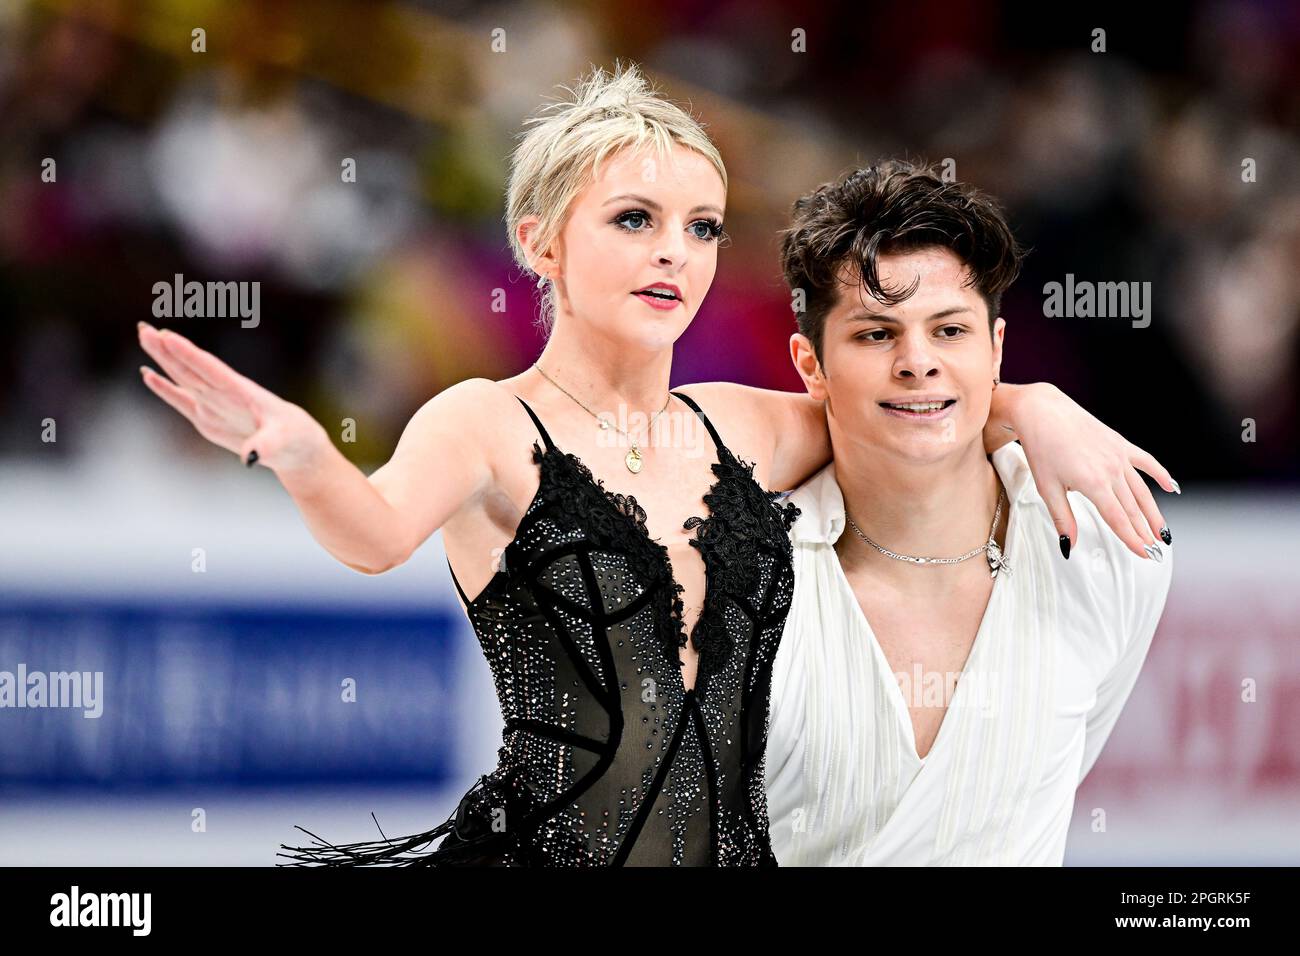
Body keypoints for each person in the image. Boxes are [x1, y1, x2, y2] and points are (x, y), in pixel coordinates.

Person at [136, 63, 1174, 866]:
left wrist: (1031, 405)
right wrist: (305, 455)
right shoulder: (486, 422)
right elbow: (370, 535)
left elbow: (906, 402)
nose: (674, 251)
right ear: (541, 243)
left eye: (701, 226)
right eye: (634, 219)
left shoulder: (740, 425)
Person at [764, 160, 1175, 866]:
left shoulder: (1110, 553)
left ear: (997, 348)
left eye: (949, 331)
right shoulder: (748, 575)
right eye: (874, 334)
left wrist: (1021, 399)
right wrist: (1025, 400)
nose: (917, 361)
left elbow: (1030, 794)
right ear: (810, 365)